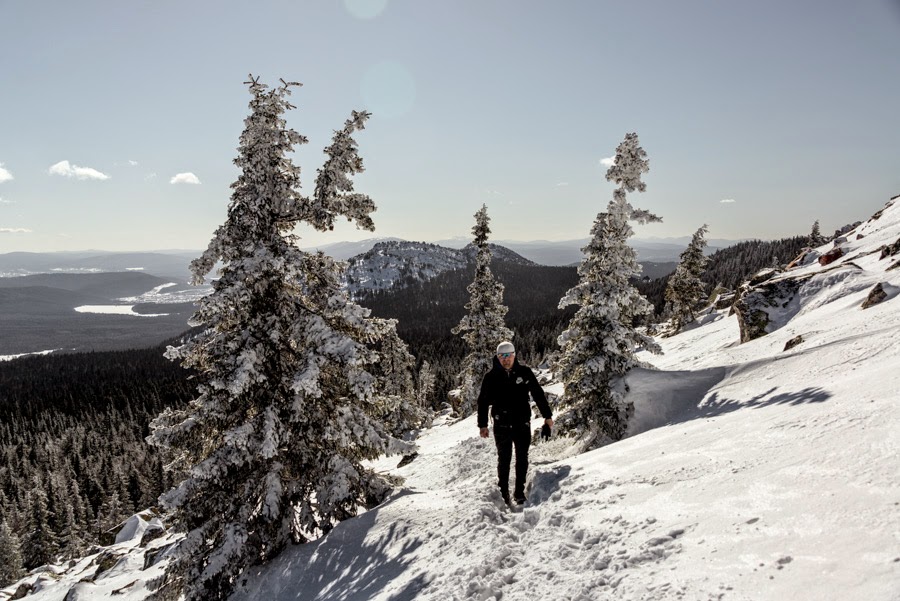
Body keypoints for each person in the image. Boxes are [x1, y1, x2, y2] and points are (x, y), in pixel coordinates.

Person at [477, 341, 553, 505]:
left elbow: (538, 394)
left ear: (514, 355)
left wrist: (547, 416)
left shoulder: (524, 372)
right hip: (501, 424)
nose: (506, 359)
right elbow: (482, 401)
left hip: (521, 423)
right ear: (498, 357)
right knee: (504, 458)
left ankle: (519, 491)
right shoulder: (491, 377)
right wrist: (482, 425)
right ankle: (503, 492)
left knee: (522, 457)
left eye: (508, 355)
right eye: (502, 356)